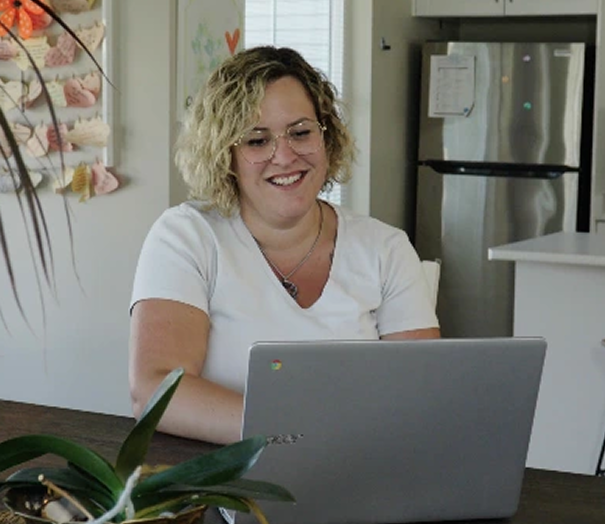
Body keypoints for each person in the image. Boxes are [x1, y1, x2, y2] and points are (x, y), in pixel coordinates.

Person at [129, 46, 440, 445]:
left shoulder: (386, 247)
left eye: (300, 132)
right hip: (220, 484)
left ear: (326, 137)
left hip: (357, 475)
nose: (285, 156)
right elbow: (155, 391)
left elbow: (423, 395)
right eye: (257, 141)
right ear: (226, 155)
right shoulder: (186, 236)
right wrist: (297, 438)